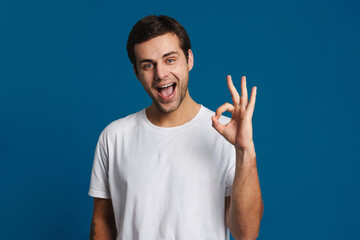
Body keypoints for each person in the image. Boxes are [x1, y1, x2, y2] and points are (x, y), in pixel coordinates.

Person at [88, 15, 263, 240]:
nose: (160, 74)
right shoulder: (114, 137)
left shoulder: (224, 136)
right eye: (148, 65)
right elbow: (102, 220)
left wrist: (244, 150)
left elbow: (246, 233)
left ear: (189, 59)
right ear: (137, 73)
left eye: (170, 60)